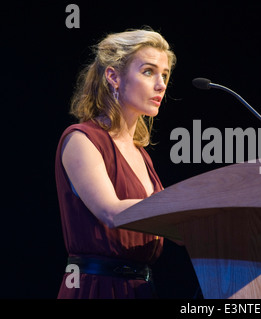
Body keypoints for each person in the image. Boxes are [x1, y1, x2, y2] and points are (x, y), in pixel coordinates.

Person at [55, 28, 176, 298]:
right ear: (113, 76)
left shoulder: (141, 154)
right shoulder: (81, 139)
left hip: (141, 289)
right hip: (97, 288)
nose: (161, 85)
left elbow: (169, 224)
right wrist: (181, 209)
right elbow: (112, 212)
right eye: (148, 71)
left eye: (165, 75)